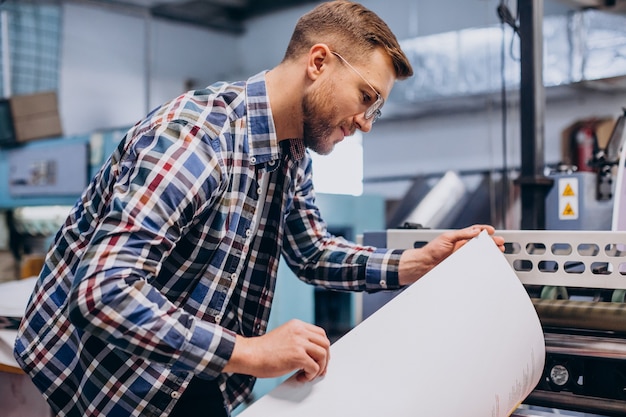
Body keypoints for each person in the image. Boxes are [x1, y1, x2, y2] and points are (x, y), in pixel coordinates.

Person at [14, 1, 505, 416]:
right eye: (367, 97)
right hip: (109, 377)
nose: (366, 122)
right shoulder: (197, 141)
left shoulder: (291, 152)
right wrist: (250, 350)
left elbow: (310, 252)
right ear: (319, 62)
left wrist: (417, 263)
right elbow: (104, 292)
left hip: (193, 367)